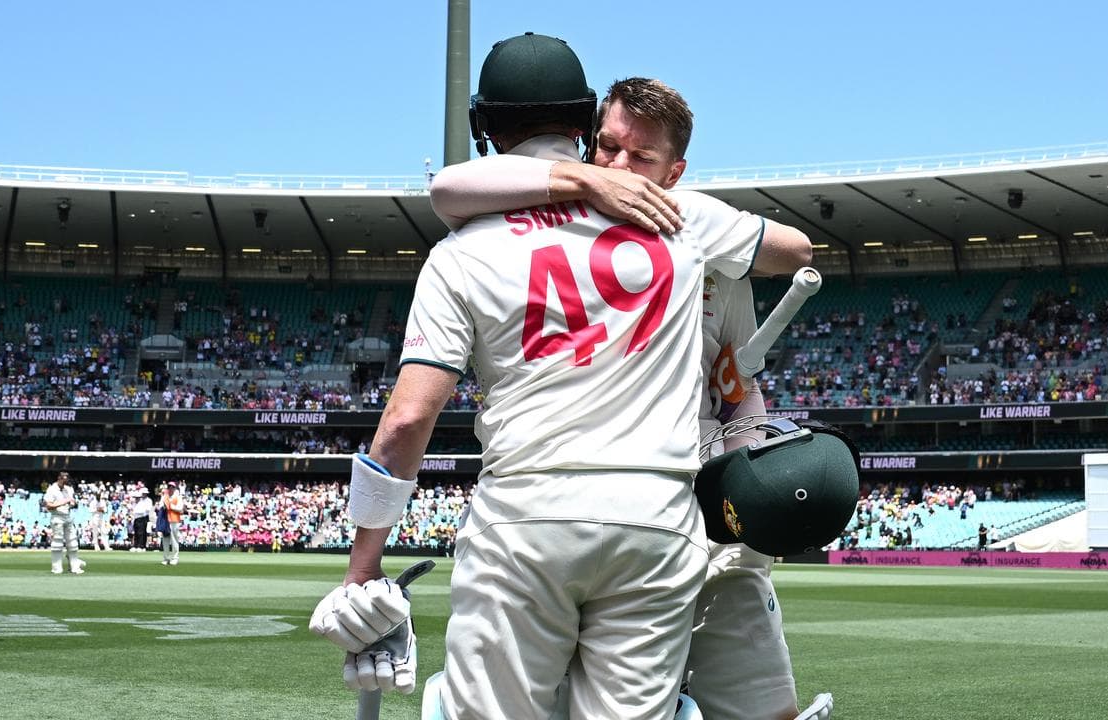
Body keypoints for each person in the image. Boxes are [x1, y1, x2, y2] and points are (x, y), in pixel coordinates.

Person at [311, 32, 811, 720]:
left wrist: (361, 570)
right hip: (656, 521)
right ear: (585, 123)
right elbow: (794, 251)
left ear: (483, 129)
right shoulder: (680, 218)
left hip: (525, 516)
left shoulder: (461, 252)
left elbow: (404, 422)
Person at [431, 76, 831, 720]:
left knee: (760, 707)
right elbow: (447, 189)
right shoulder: (552, 220)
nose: (619, 168)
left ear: (675, 172)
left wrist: (750, 476)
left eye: (640, 158)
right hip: (606, 510)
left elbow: (740, 392)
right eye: (607, 148)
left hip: (698, 510)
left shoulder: (707, 247)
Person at [44, 471, 83, 574]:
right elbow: (48, 505)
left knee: (73, 543)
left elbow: (72, 503)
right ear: (59, 478)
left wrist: (73, 503)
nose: (65, 482)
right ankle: (56, 568)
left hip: (67, 516)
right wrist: (64, 501)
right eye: (64, 480)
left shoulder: (69, 489)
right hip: (57, 517)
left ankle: (74, 567)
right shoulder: (52, 489)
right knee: (57, 543)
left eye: (67, 480)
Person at [161, 482, 184, 565]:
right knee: (165, 539)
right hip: (165, 520)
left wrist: (170, 506)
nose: (171, 488)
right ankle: (166, 558)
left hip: (175, 520)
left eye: (172, 487)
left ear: (175, 488)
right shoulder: (165, 497)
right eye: (169, 487)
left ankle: (175, 558)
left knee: (174, 539)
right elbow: (161, 507)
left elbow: (180, 508)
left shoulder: (178, 497)